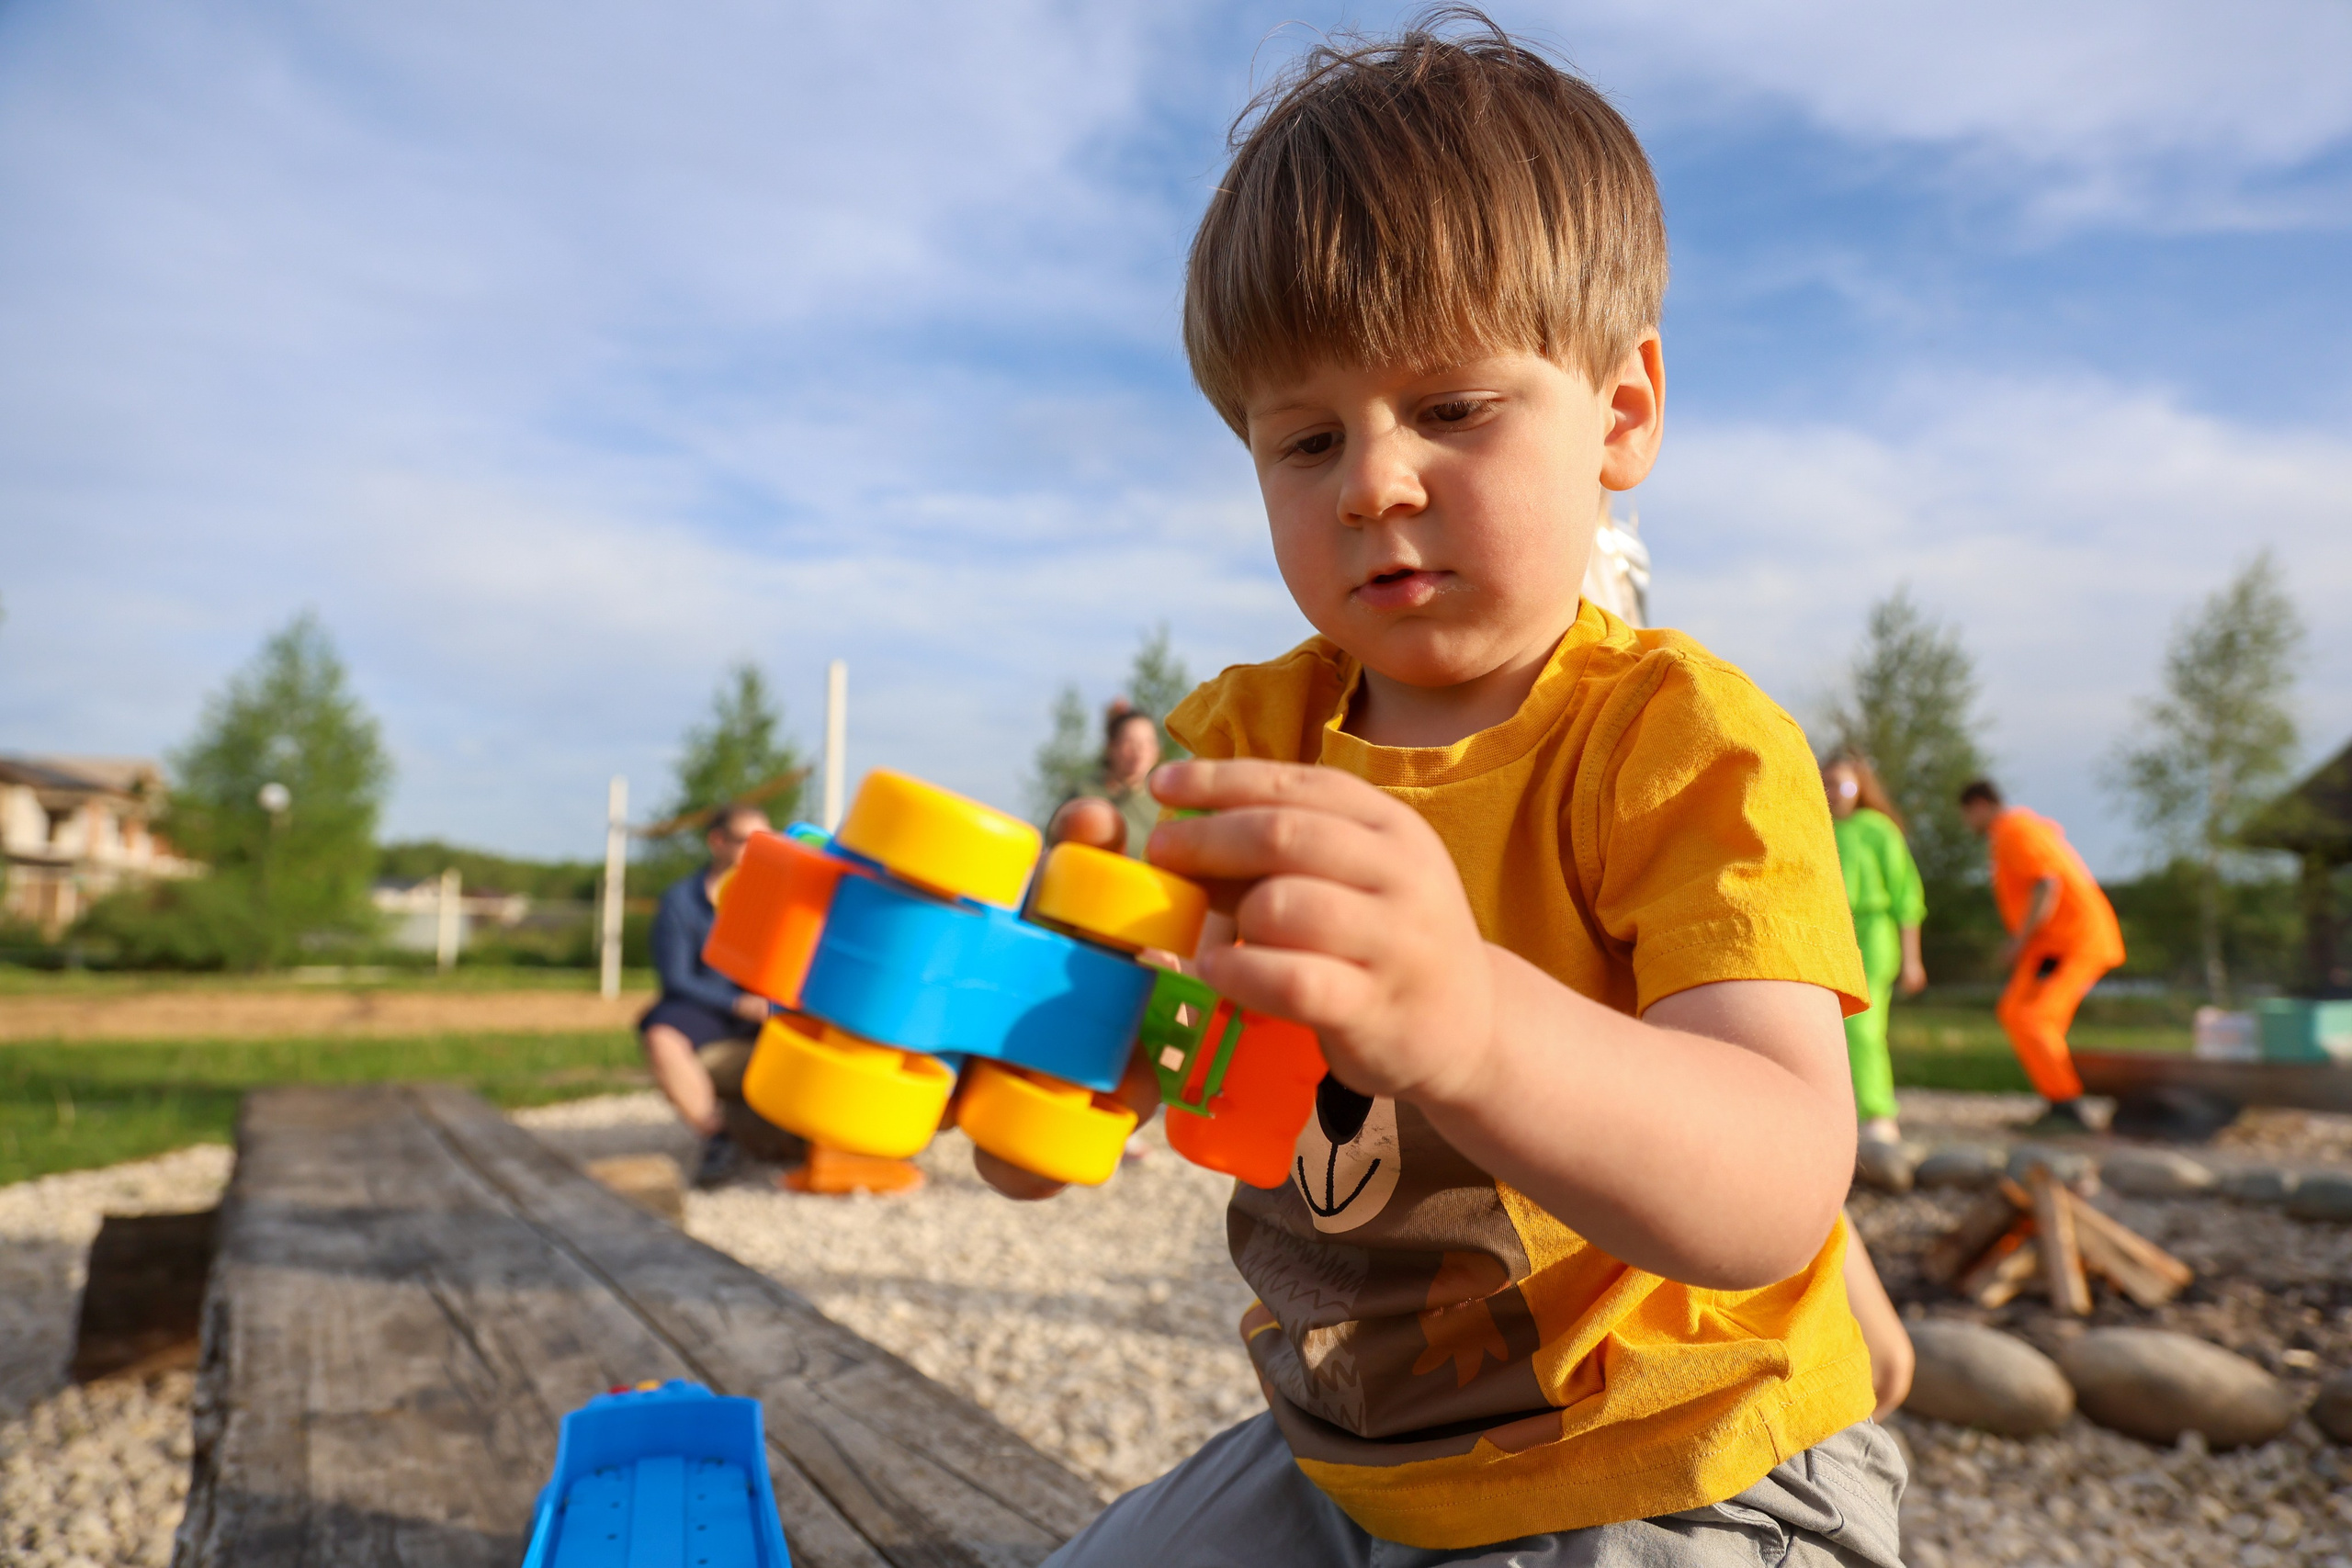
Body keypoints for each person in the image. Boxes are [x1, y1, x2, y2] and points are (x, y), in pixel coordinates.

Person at [1005, 18, 1905, 1566]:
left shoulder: (1683, 742)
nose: (1371, 480)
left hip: (1676, 1464)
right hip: (1356, 1463)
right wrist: (1029, 1025)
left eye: (1452, 410)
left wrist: (1471, 1021)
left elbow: (1773, 1171)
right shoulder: (1243, 740)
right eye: (1304, 435)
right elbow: (1078, 1122)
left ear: (1620, 415)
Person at [1960, 778, 2126, 1135]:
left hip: (2070, 942)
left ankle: (2068, 1110)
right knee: (2017, 1013)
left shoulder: (2014, 829)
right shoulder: (2013, 830)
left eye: (1965, 815)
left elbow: (2047, 882)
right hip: (2051, 945)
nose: (1966, 824)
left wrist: (2020, 940)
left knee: (2033, 1018)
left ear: (1979, 806)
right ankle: (2058, 1103)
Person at [639, 804, 787, 1187]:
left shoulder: (780, 897)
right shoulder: (681, 901)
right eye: (745, 842)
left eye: (766, 841)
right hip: (709, 1006)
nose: (757, 851)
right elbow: (677, 979)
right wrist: (738, 1004)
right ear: (717, 842)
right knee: (661, 1034)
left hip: (768, 1005)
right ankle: (716, 1136)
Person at [1823, 751, 1928, 1146]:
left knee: (1863, 1026)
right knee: (1825, 1026)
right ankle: (1839, 1110)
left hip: (1874, 933)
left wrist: (1912, 959)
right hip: (1830, 934)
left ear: (1860, 786)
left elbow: (1907, 896)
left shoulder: (1879, 829)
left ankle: (1879, 1113)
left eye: (1841, 783)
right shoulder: (1820, 827)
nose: (1832, 791)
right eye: (1825, 783)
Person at [1064, 702, 1164, 858]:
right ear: (1112, 747)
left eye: (1147, 743)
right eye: (1130, 742)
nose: (1140, 751)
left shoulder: (1163, 803)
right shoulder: (1086, 795)